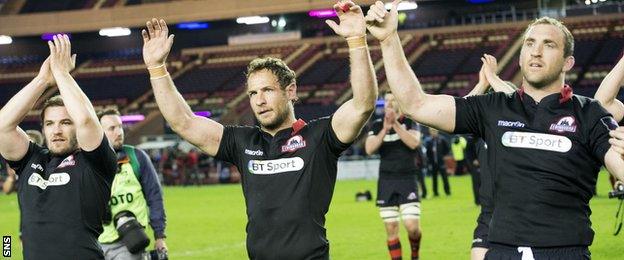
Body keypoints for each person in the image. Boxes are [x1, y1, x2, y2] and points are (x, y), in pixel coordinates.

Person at [367, 1, 624, 258]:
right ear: (521, 55)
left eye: (549, 45)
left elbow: (619, 165)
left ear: (568, 62)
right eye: (530, 43)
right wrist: (389, 38)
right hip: (501, 251)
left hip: (565, 253)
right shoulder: (492, 108)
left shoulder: (589, 114)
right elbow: (416, 104)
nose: (536, 52)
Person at [140, 0, 378, 258]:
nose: (259, 100)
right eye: (253, 93)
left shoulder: (319, 137)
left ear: (291, 91)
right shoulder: (242, 142)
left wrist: (356, 40)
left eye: (267, 90)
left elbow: (363, 105)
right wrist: (157, 68)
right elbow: (183, 122)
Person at [0, 35, 116, 259]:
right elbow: (3, 125)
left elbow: (85, 120)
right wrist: (42, 80)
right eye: (50, 124)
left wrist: (62, 74)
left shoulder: (96, 161)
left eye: (65, 122)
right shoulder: (30, 160)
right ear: (42, 128)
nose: (57, 130)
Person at [97, 108, 168, 259]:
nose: (119, 132)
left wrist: (159, 235)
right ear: (99, 132)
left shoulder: (137, 157)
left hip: (130, 241)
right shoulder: (88, 162)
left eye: (120, 126)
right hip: (97, 242)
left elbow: (155, 196)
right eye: (112, 128)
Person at [464, 55, 516, 260]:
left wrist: (493, 77)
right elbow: (464, 106)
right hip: (489, 213)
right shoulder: (481, 128)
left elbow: (518, 102)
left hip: (520, 211)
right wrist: (482, 83)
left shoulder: (521, 129)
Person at [365, 92, 422, 260]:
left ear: (400, 102)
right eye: (386, 100)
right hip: (386, 181)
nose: (388, 103)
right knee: (391, 228)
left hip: (407, 179)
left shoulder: (410, 121)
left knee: (412, 227)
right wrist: (385, 128)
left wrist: (395, 124)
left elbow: (414, 143)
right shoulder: (376, 125)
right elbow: (369, 149)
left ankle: (415, 254)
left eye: (392, 100)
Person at [424, 128, 450, 196]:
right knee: (434, 178)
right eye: (432, 131)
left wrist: (443, 156)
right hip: (433, 163)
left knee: (444, 178)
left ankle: (447, 191)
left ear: (437, 131)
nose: (433, 132)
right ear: (429, 132)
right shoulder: (428, 141)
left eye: (434, 131)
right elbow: (427, 153)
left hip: (441, 162)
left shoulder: (442, 139)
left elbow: (447, 148)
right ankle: (435, 192)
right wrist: (429, 161)